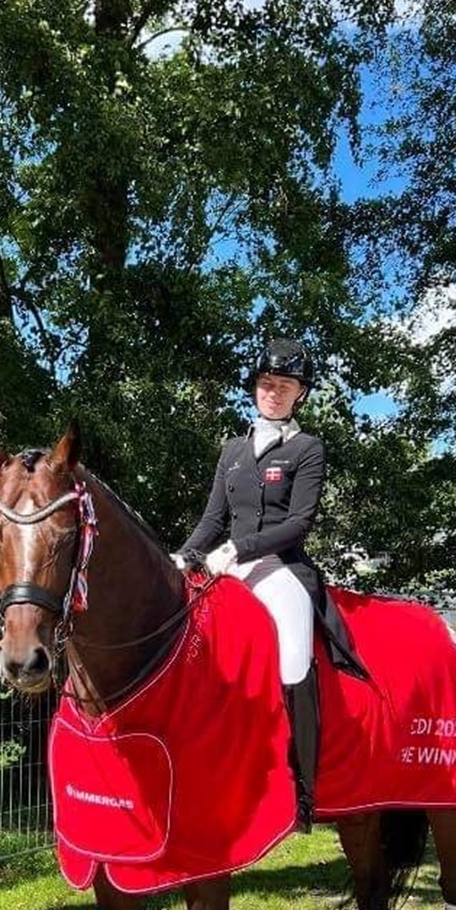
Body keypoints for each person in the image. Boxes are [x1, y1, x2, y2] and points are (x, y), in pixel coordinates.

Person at [174, 335, 326, 831]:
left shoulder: (306, 448)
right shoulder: (233, 450)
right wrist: (182, 556)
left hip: (281, 568)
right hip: (229, 568)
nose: (273, 393)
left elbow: (299, 523)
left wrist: (240, 548)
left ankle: (303, 790)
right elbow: (211, 519)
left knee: (294, 657)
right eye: (266, 383)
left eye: (284, 386)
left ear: (300, 393)